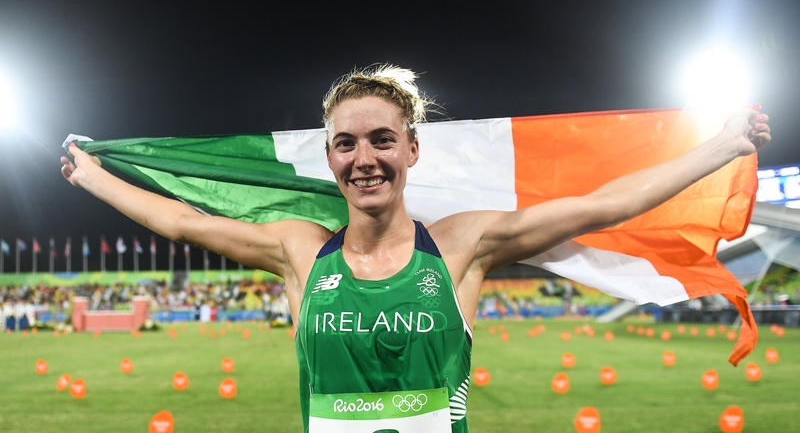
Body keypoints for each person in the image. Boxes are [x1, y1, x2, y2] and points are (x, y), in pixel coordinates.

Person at [61, 65, 771, 432]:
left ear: (411, 150)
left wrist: (723, 146)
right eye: (346, 143)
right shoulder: (300, 252)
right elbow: (183, 223)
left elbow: (603, 205)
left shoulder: (462, 245)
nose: (364, 158)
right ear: (329, 158)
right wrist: (92, 176)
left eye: (381, 140)